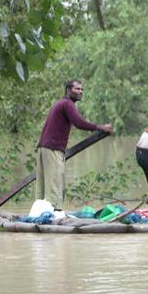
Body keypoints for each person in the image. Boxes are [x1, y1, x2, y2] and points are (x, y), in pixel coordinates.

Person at [36, 79, 113, 211]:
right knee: (55, 186)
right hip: (52, 149)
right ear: (68, 90)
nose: (80, 92)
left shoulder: (61, 103)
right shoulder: (67, 103)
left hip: (45, 147)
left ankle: (42, 213)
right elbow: (79, 123)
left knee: (45, 187)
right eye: (77, 89)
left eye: (82, 89)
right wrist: (100, 127)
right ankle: (54, 215)